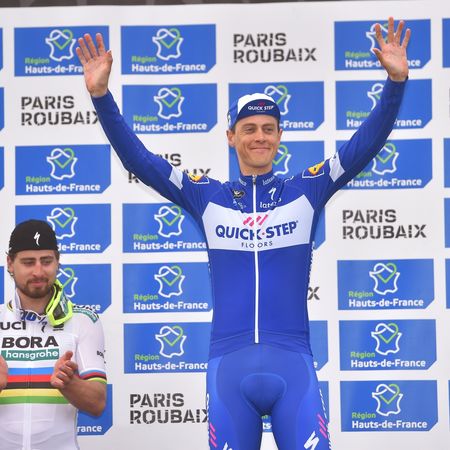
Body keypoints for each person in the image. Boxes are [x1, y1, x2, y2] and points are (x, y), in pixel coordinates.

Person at [76, 16, 409, 450]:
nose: (260, 137)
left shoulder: (307, 189)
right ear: (231, 136)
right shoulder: (206, 195)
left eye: (268, 129)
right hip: (228, 368)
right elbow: (139, 160)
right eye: (249, 129)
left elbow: (365, 145)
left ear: (280, 136)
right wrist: (101, 96)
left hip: (293, 364)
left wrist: (395, 84)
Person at [0, 219, 107, 450]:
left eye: (46, 261)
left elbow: (97, 403)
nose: (38, 271)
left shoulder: (83, 320)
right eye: (28, 262)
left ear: (58, 261)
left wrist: (69, 384)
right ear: (10, 263)